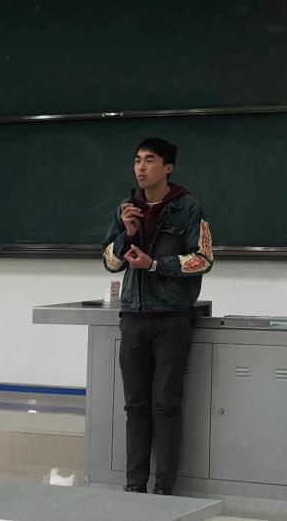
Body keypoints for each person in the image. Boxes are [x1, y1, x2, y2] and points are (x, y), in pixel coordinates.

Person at [101, 138, 213, 495]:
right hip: (133, 316)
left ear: (168, 167)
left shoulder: (189, 208)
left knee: (166, 404)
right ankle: (134, 484)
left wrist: (155, 264)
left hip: (171, 317)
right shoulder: (126, 210)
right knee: (135, 406)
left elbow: (203, 260)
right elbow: (110, 262)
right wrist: (127, 234)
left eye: (150, 160)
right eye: (137, 160)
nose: (141, 167)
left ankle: (164, 486)